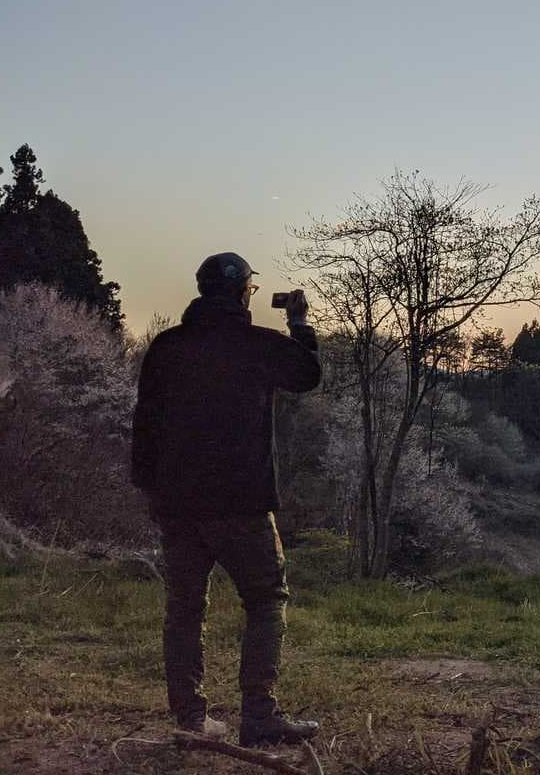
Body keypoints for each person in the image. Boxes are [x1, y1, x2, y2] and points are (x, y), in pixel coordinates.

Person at [131, 252, 321, 747]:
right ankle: (258, 715)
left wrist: (150, 490)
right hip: (241, 503)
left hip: (177, 504)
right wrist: (299, 322)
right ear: (242, 292)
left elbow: (144, 426)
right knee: (265, 600)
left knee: (185, 608)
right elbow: (307, 375)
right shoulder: (258, 345)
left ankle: (189, 718)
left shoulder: (167, 348)